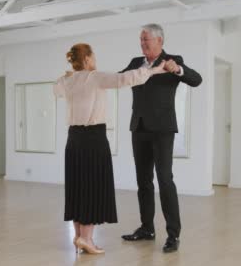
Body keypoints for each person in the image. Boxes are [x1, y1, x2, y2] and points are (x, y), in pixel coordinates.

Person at [53, 43, 166, 254]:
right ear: (87, 59)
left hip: (73, 140)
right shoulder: (94, 77)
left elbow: (56, 89)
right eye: (93, 55)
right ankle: (86, 238)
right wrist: (156, 70)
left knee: (78, 187)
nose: (95, 59)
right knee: (92, 186)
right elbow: (126, 78)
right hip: (94, 138)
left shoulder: (66, 80)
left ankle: (79, 236)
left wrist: (68, 76)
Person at [120, 24, 203, 253]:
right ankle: (147, 228)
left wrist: (178, 70)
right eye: (141, 39)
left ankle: (173, 235)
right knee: (143, 182)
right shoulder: (136, 62)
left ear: (160, 41)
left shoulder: (172, 60)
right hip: (139, 128)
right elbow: (120, 79)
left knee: (165, 180)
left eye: (146, 39)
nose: (142, 43)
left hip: (162, 130)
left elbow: (197, 80)